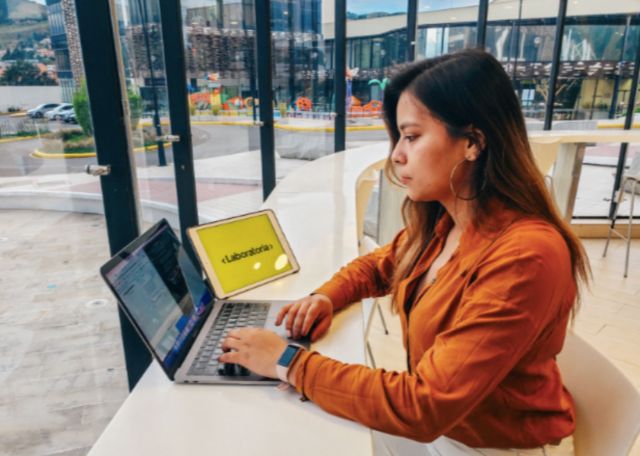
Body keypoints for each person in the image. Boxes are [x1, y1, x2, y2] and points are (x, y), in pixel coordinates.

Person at [219, 49, 590, 455]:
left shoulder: (526, 255)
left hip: (493, 446)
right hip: (451, 431)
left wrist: (288, 361)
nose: (396, 155)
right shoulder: (451, 222)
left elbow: (422, 406)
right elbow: (382, 265)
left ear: (472, 142)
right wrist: (325, 296)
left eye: (411, 137)